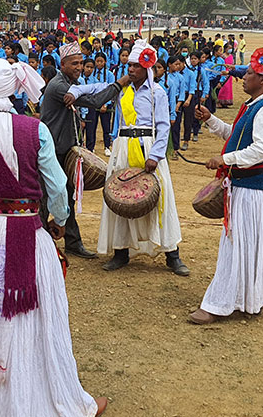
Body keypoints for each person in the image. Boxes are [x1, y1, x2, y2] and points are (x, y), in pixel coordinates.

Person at [0, 58, 106, 416]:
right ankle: (38, 393)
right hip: (27, 228)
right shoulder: (34, 129)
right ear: (13, 90)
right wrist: (58, 220)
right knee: (33, 312)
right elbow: (57, 187)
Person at [65, 39, 188, 276]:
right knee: (119, 197)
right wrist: (74, 90)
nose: (130, 69)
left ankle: (172, 254)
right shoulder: (123, 89)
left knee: (159, 199)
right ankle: (121, 252)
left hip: (148, 149)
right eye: (129, 65)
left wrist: (155, 155)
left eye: (135, 66)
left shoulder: (157, 92)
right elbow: (94, 88)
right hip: (122, 147)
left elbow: (163, 127)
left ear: (146, 68)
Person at [188, 48, 263, 324]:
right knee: (247, 245)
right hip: (248, 187)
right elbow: (237, 136)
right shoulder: (254, 104)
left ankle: (218, 304)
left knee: (236, 246)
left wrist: (224, 159)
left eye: (249, 74)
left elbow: (261, 150)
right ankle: (248, 298)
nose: (243, 78)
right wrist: (210, 119)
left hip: (255, 188)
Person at [39, 40, 126, 261]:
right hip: (51, 151)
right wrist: (120, 83)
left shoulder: (71, 84)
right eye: (74, 63)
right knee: (47, 196)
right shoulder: (61, 86)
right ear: (63, 64)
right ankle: (38, 241)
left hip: (63, 148)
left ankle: (72, 242)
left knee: (65, 195)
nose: (79, 67)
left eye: (81, 63)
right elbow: (96, 101)